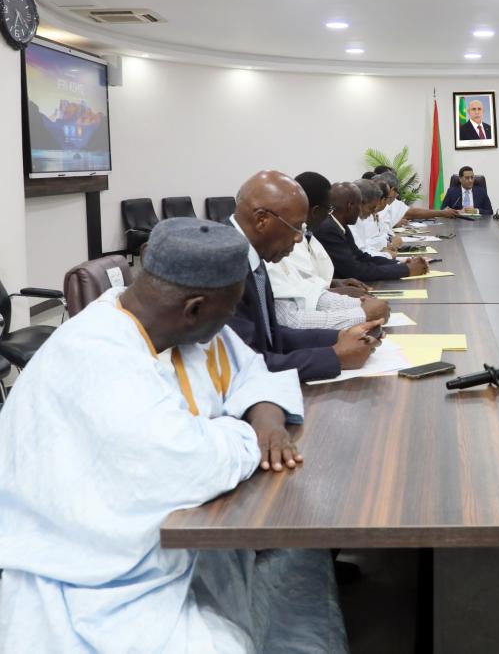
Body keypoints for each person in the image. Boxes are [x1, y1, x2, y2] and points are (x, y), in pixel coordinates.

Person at [0, 218, 348, 652]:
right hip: (99, 580)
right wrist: (245, 430)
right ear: (194, 308)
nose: (232, 320)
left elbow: (252, 372)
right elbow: (191, 461)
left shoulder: (180, 327)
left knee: (300, 551)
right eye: (230, 309)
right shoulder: (94, 354)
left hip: (181, 540)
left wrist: (268, 423)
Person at [229, 171, 381, 382]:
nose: (299, 238)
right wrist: (335, 356)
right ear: (262, 220)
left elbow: (271, 336)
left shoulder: (254, 252)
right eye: (295, 227)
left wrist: (340, 336)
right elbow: (246, 365)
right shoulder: (225, 265)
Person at [268, 172, 390, 331]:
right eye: (329, 208)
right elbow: (291, 319)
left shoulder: (299, 235)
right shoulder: (276, 248)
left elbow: (308, 291)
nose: (298, 237)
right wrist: (362, 313)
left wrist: (359, 303)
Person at [316, 182, 428, 282]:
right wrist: (405, 270)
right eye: (360, 205)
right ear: (350, 206)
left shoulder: (340, 225)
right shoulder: (328, 229)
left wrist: (400, 264)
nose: (362, 212)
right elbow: (355, 270)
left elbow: (362, 257)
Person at [372, 167, 459, 222]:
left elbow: (411, 211)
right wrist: (441, 213)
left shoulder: (386, 203)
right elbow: (412, 213)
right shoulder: (376, 207)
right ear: (391, 190)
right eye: (397, 191)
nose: (397, 195)